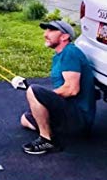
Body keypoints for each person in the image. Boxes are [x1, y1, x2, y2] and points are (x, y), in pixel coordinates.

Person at [12, 20, 96, 155]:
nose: (46, 34)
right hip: (68, 113)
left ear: (64, 36)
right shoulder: (59, 56)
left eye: (51, 30)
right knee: (25, 119)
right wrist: (43, 103)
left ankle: (47, 140)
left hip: (80, 118)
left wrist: (44, 98)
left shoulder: (70, 53)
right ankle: (55, 131)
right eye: (46, 30)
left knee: (33, 90)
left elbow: (72, 89)